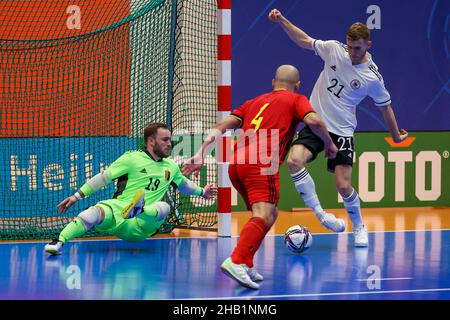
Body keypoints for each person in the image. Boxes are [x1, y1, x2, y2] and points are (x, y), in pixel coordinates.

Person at [182, 65, 338, 289]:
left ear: (273, 82)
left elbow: (221, 126)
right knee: (263, 214)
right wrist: (329, 144)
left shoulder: (252, 102)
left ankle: (245, 261)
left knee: (270, 213)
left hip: (236, 163)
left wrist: (200, 153)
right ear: (298, 85)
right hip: (262, 162)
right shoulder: (296, 99)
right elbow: (313, 121)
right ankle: (236, 260)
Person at [268, 9, 408, 246]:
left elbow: (385, 107)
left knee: (343, 187)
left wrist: (395, 136)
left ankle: (359, 226)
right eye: (351, 47)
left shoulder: (372, 78)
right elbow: (304, 40)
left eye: (358, 48)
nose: (353, 53)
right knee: (293, 161)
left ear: (368, 45)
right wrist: (281, 20)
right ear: (346, 42)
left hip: (342, 131)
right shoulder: (334, 50)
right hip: (315, 123)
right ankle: (322, 216)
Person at [45, 122, 217, 255]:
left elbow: (183, 185)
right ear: (151, 141)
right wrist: (76, 196)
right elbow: (103, 178)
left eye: (170, 140)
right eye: (165, 139)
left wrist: (202, 192)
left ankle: (139, 210)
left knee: (164, 207)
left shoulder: (171, 166)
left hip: (144, 225)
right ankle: (58, 241)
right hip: (121, 211)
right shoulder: (131, 158)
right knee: (93, 212)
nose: (169, 144)